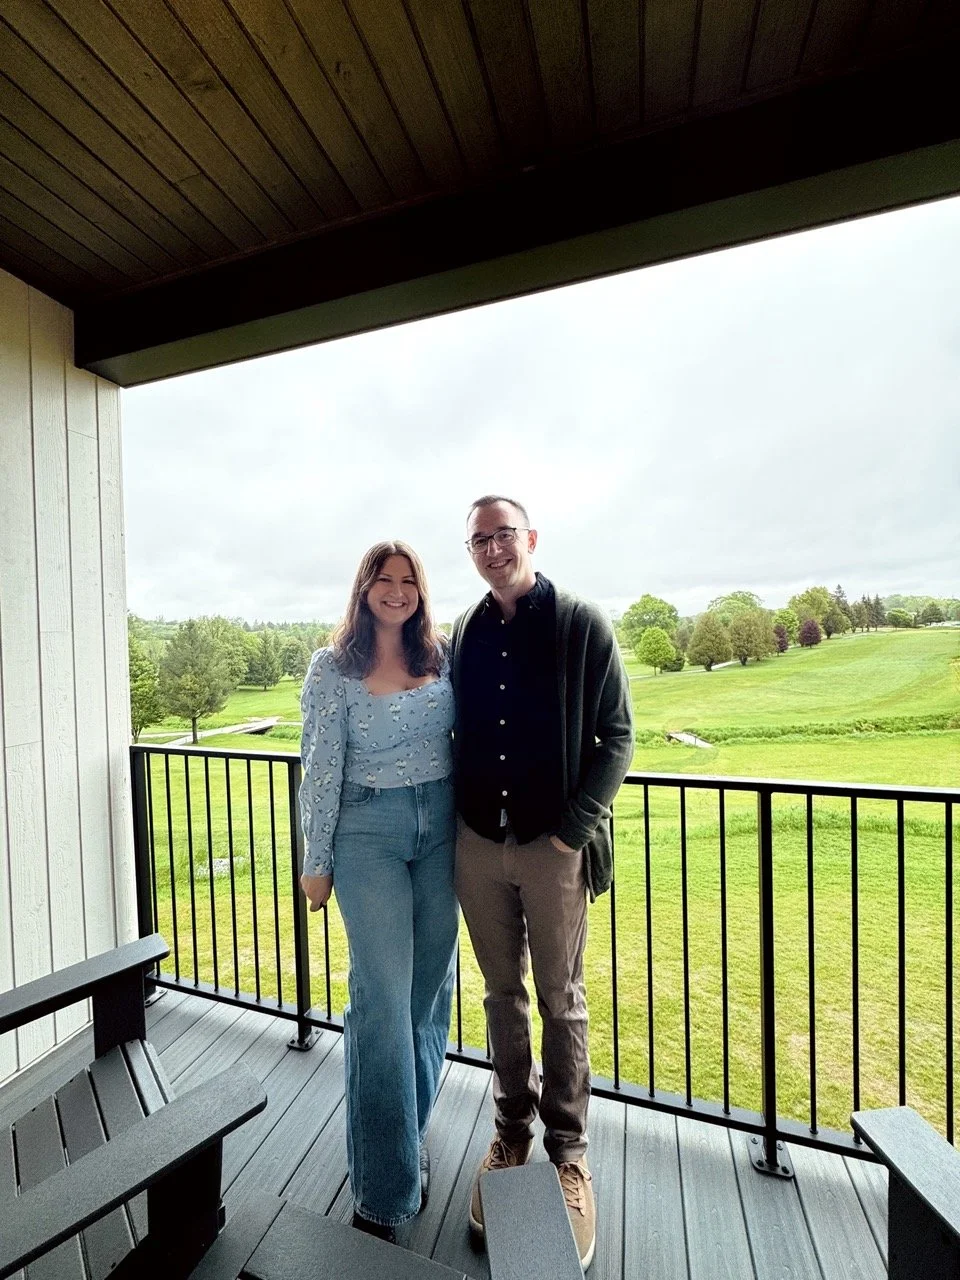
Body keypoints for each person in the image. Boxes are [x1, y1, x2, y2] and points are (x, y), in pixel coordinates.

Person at [450, 495, 633, 1269]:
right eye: (479, 539)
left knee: (562, 999)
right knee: (500, 995)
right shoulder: (465, 627)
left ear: (531, 539)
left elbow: (618, 736)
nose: (493, 549)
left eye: (504, 535)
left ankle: (568, 1154)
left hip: (551, 847)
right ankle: (510, 1135)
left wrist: (571, 831)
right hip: (478, 844)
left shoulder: (580, 623)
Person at [299, 541, 458, 1244]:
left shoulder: (443, 654)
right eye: (383, 580)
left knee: (428, 995)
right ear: (363, 590)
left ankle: (406, 1135)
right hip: (369, 832)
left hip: (444, 829)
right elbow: (320, 766)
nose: (397, 591)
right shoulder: (333, 668)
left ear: (421, 591)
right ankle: (383, 1193)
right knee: (383, 1003)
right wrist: (316, 860)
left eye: (408, 581)